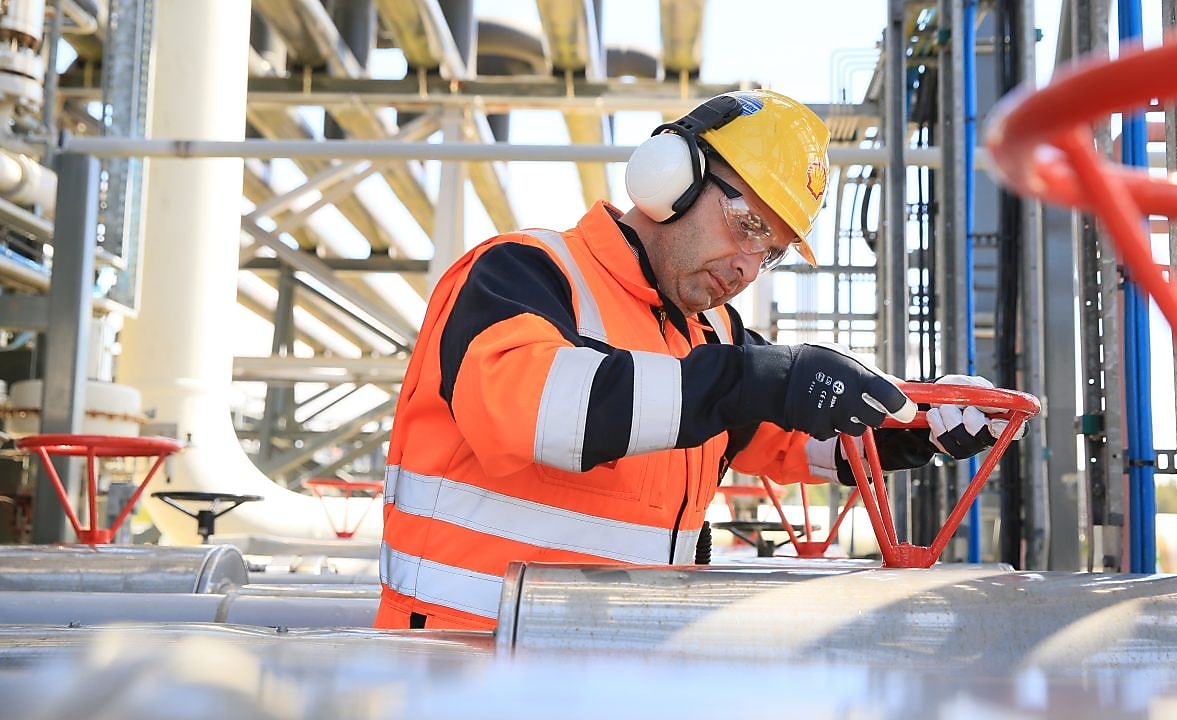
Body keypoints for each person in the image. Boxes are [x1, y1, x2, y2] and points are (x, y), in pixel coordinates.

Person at [375, 89, 1019, 631]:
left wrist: (917, 425)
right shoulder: (525, 272)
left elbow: (789, 431)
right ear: (670, 177)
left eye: (771, 253)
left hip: (616, 673)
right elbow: (534, 410)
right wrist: (753, 380)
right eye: (748, 225)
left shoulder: (710, 336)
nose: (747, 268)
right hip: (455, 668)